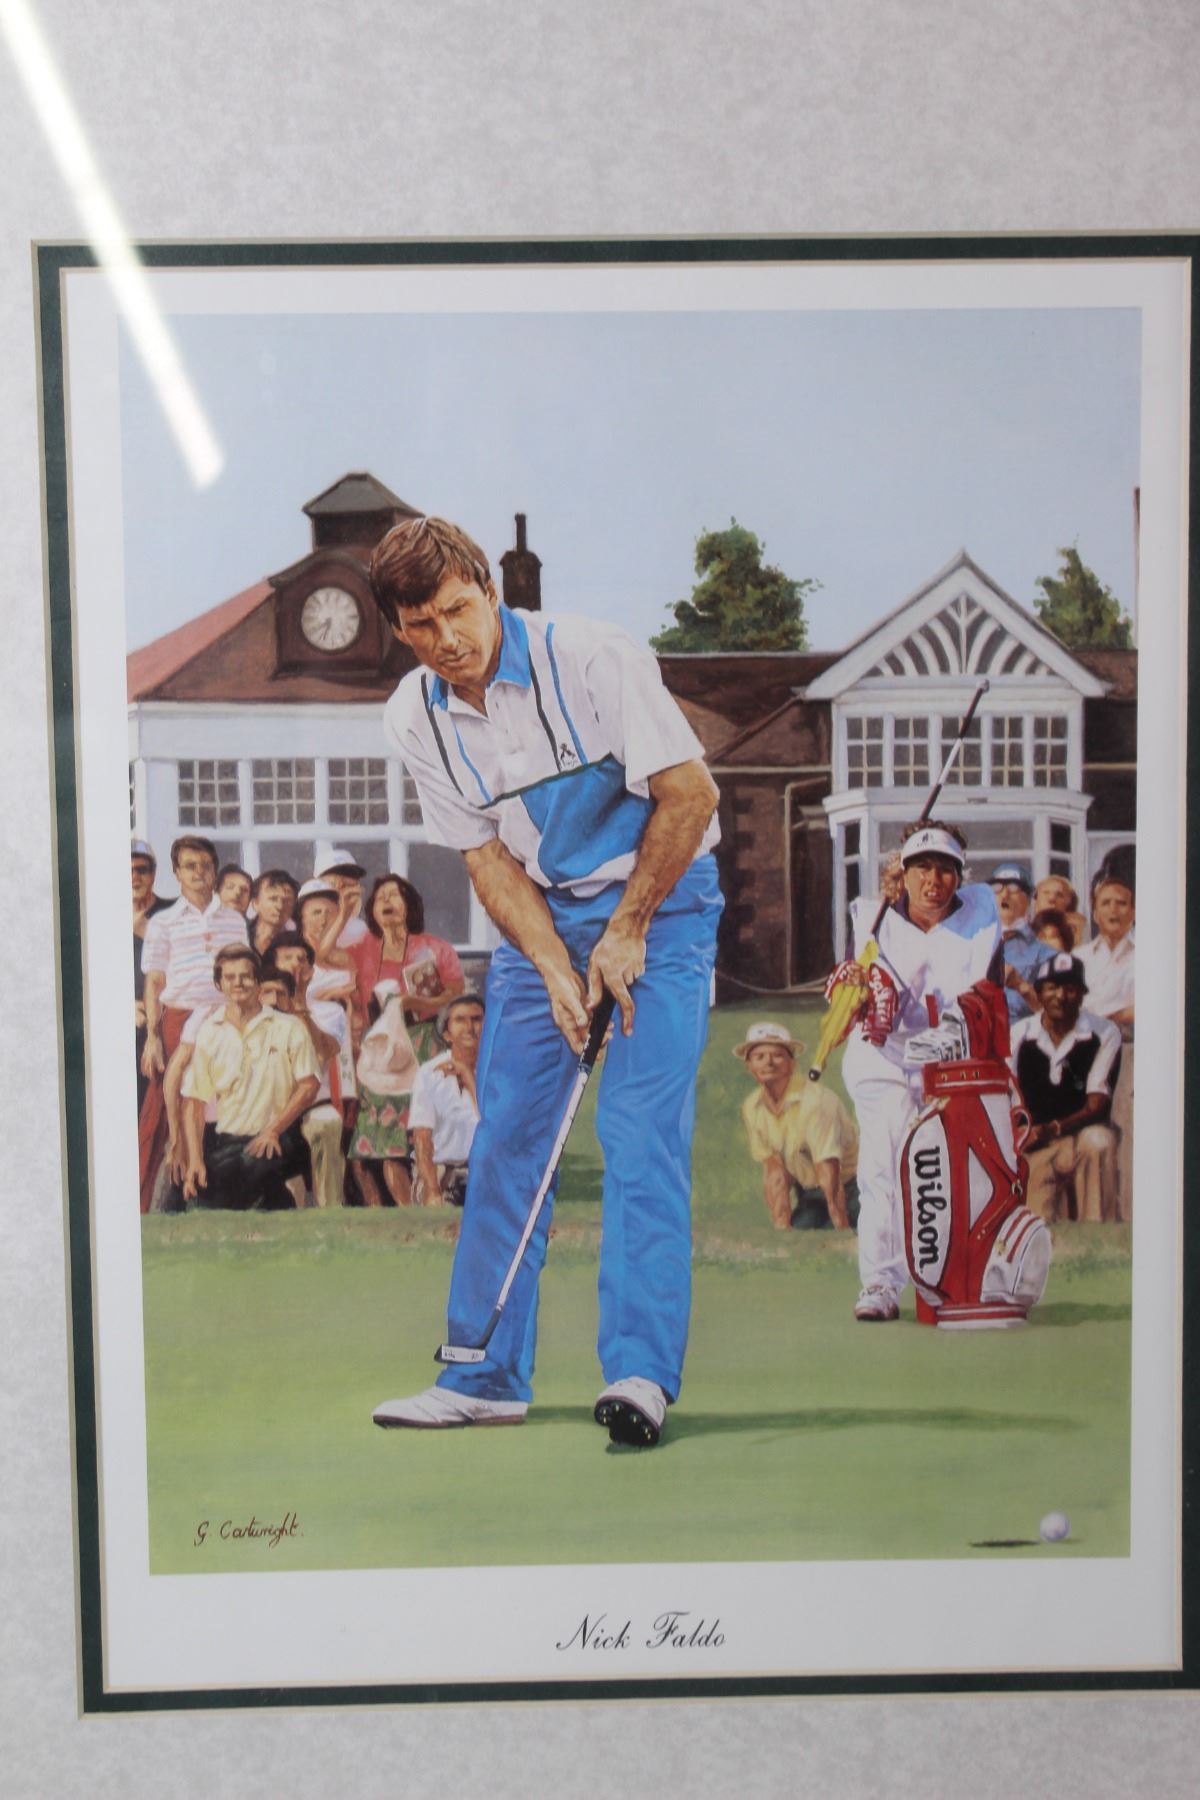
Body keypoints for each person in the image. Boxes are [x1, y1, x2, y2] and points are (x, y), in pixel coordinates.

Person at [367, 515, 721, 1446]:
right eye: (421, 626)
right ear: (399, 630)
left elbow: (691, 796)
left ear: (490, 591)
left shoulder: (596, 658)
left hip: (664, 902)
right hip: (544, 915)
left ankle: (639, 1374)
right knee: (509, 1138)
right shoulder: (414, 714)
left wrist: (629, 928)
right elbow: (485, 857)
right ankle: (481, 1375)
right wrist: (557, 965)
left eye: (458, 610)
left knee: (638, 1134)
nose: (448, 640)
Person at [827, 819, 1003, 1321]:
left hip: (951, 1060)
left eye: (945, 869)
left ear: (960, 876)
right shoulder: (871, 919)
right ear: (901, 873)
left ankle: (949, 1281)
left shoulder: (981, 919)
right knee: (883, 1165)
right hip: (883, 1057)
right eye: (921, 867)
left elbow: (989, 998)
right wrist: (854, 990)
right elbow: (846, 1002)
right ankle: (881, 1284)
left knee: (946, 1171)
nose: (933, 880)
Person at [137, 835, 248, 1213]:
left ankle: (206, 1200)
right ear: (177, 872)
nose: (198, 873)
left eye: (205, 865)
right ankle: (145, 1207)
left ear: (215, 870)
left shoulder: (234, 920)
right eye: (190, 866)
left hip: (224, 1019)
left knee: (215, 1108)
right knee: (162, 1112)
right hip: (177, 1019)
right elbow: (154, 982)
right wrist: (153, 1037)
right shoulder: (163, 922)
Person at [180, 945, 320, 1210]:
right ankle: (278, 1203)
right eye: (230, 977)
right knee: (200, 1198)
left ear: (257, 982)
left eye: (245, 976)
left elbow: (309, 1086)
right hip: (228, 1141)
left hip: (280, 1135)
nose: (238, 983)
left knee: (236, 1179)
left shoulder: (288, 1027)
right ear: (219, 984)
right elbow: (193, 1102)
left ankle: (271, 1201)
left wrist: (273, 1130)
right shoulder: (210, 1031)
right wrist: (195, 1160)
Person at [1009, 952, 1121, 1223]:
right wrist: (1024, 1134)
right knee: (1036, 1224)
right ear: (1038, 993)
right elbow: (1009, 1096)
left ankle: (1097, 1235)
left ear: (1082, 994)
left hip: (1080, 1136)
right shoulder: (1019, 1034)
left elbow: (1096, 1104)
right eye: (1052, 987)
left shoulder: (1104, 1032)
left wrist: (1053, 1128)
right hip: (1037, 1143)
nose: (1060, 996)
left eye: (1070, 988)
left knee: (1099, 1141)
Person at [734, 1022, 860, 1231]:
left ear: (792, 1063)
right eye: (759, 1057)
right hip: (811, 1193)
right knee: (801, 1231)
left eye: (777, 1055)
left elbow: (829, 1172)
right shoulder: (752, 1107)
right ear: (749, 1066)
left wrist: (841, 1229)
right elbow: (775, 1172)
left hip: (854, 1187)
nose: (768, 1063)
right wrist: (781, 1227)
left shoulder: (816, 1102)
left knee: (847, 1229)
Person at [260, 944, 347, 1208]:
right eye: (288, 957)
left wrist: (299, 1006)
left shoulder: (329, 1011)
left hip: (311, 1105)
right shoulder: (257, 1007)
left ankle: (330, 1211)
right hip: (265, 1107)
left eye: (303, 959)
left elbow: (321, 1054)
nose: (296, 963)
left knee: (327, 1123)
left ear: (311, 970)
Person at [350, 873, 464, 1064]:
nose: (386, 900)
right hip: (377, 1048)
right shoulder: (362, 950)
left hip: (424, 1043)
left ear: (409, 905)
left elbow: (455, 993)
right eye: (380, 897)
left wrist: (419, 1003)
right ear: (373, 911)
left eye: (394, 894)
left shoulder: (436, 948)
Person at [1075, 872, 1135, 1218]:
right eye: (1106, 903)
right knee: (1089, 1131)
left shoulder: (1147, 956)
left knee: (1125, 1129)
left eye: (1122, 903)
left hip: (1128, 1052)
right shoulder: (1080, 958)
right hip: (1086, 1050)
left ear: (1134, 912)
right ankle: (1093, 1213)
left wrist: (1110, 1017)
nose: (1114, 910)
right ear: (1095, 912)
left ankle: (1128, 1214)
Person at [409, 992, 486, 1207]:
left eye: (477, 1019)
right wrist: (433, 1190)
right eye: (460, 1020)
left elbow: (495, 1128)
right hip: (441, 1171)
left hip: (486, 1172)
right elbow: (422, 1138)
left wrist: (468, 1077)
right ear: (446, 1034)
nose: (469, 1027)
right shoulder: (428, 1073)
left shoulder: (498, 1071)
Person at [132, 839, 172, 1115]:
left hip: (162, 1017)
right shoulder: (101, 916)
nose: (135, 877)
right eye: (128, 870)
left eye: (142, 870)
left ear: (154, 873)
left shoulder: (171, 912)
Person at [991, 862, 1041, 1022]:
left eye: (1013, 888)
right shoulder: (973, 942)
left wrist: (1021, 986)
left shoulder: (1043, 947)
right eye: (997, 888)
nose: (1004, 895)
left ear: (1029, 897)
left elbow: (1057, 1014)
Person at [313, 847, 370, 950]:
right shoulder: (300, 926)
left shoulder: (362, 930)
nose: (342, 892)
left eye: (348, 885)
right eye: (333, 884)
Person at [247, 869, 300, 959]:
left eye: (287, 900)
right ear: (255, 903)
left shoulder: (299, 942)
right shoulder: (238, 935)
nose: (280, 906)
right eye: (273, 899)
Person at [1032, 875, 1088, 950]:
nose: (1052, 898)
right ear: (1036, 898)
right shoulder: (1024, 928)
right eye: (1046, 893)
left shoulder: (1078, 930)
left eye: (1059, 895)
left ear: (1069, 902)